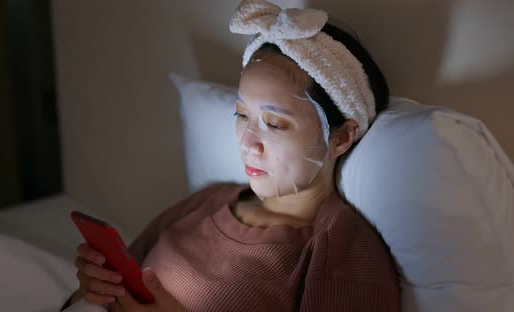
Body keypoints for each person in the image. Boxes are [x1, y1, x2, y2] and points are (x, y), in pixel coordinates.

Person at [62, 0, 399, 311]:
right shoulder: (209, 200)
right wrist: (93, 288)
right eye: (241, 115)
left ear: (341, 137)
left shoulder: (341, 250)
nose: (249, 142)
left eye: (275, 123)